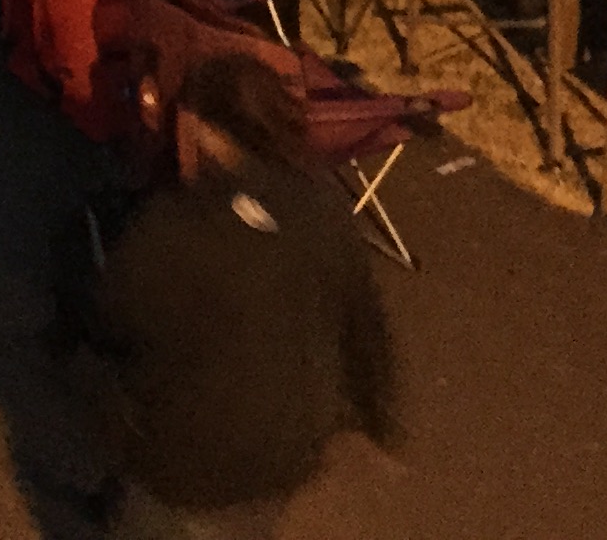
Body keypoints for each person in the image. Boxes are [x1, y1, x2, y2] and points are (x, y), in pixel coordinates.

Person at [92, 52, 399, 535]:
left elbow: (112, 316)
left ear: (205, 128)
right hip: (286, 456)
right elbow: (365, 326)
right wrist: (380, 420)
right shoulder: (321, 206)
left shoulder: (177, 224)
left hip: (187, 466)